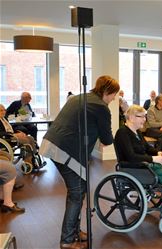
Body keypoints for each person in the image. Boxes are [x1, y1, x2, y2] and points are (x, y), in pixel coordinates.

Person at [39, 75, 120, 249]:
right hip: (65, 150)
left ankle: (75, 232)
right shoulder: (100, 107)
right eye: (114, 94)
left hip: (53, 144)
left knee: (79, 189)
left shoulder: (78, 97)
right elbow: (107, 139)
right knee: (76, 194)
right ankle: (67, 240)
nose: (114, 99)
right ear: (107, 91)